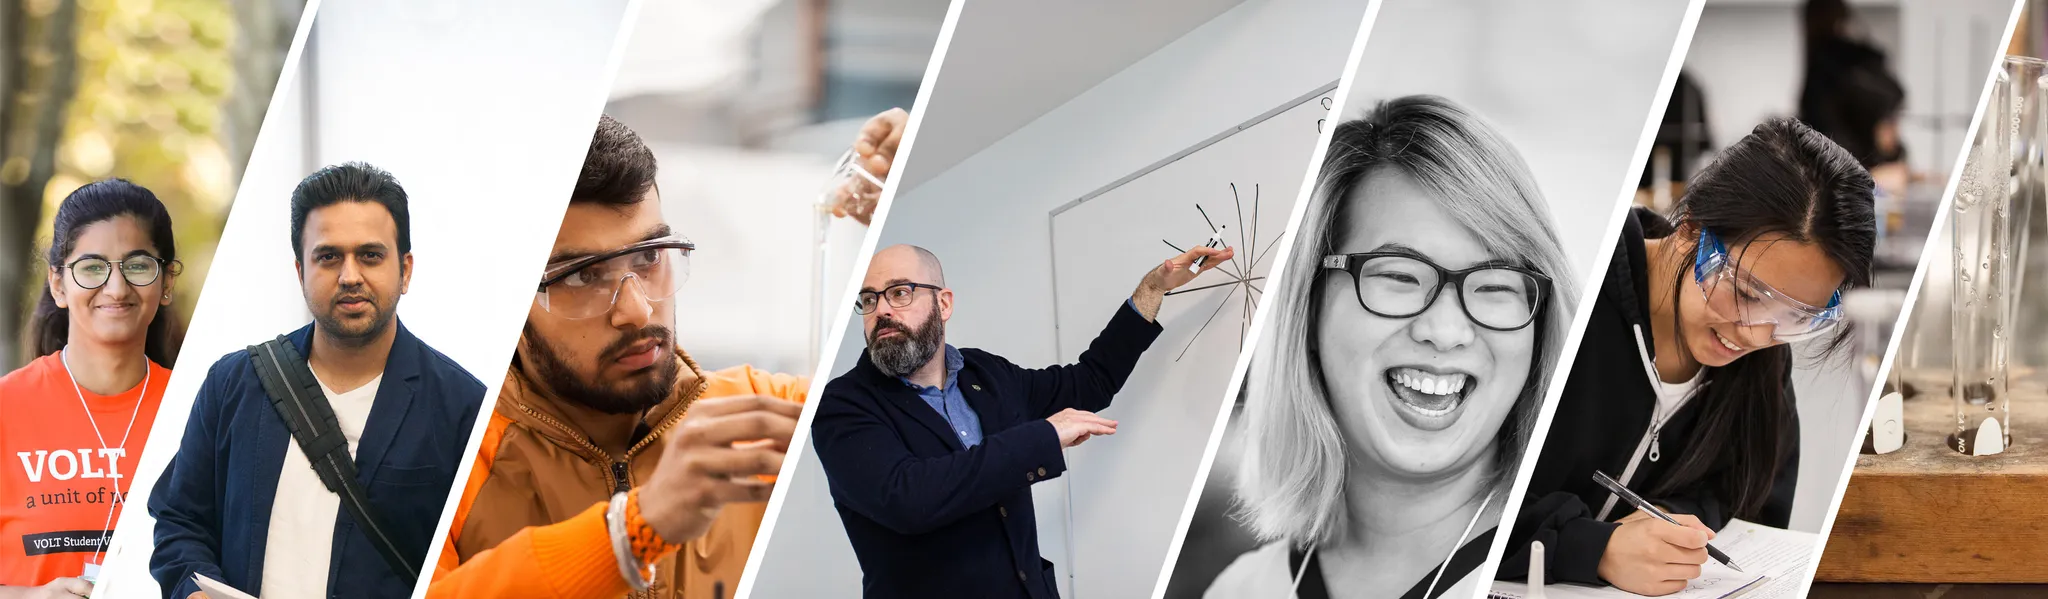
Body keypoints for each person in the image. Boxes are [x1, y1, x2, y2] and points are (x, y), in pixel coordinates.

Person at [427, 110, 901, 599]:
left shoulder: (766, 414)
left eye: (649, 256)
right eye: (580, 276)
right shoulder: (451, 458)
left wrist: (908, 193)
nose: (636, 310)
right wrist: (629, 533)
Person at [1200, 96, 1575, 599]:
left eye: (1495, 285)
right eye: (1398, 275)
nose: (1445, 331)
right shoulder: (1242, 590)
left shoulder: (1550, 571)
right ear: (1308, 311)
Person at [1503, 118, 1874, 596]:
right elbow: (1463, 496)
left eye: (1796, 317)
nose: (1756, 334)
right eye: (1745, 292)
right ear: (1690, 232)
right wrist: (1593, 548)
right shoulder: (1574, 294)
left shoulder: (1763, 365)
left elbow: (1755, 517)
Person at [812, 235, 1230, 598]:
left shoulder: (986, 374)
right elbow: (910, 499)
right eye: (869, 299)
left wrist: (1153, 287)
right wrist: (1043, 438)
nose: (881, 309)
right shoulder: (843, 405)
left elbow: (1091, 381)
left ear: (944, 303)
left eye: (899, 292)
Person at [148, 163, 485, 598]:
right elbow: (180, 520)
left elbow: (479, 568)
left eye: (370, 255)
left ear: (405, 270)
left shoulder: (462, 407)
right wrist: (191, 592)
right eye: (328, 257)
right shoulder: (233, 384)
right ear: (299, 271)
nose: (349, 276)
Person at [0, 181, 185, 599]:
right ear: (59, 284)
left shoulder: (197, 410)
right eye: (92, 268)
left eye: (137, 266)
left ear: (166, 281)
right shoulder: (6, 409)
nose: (117, 289)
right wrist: (30, 597)